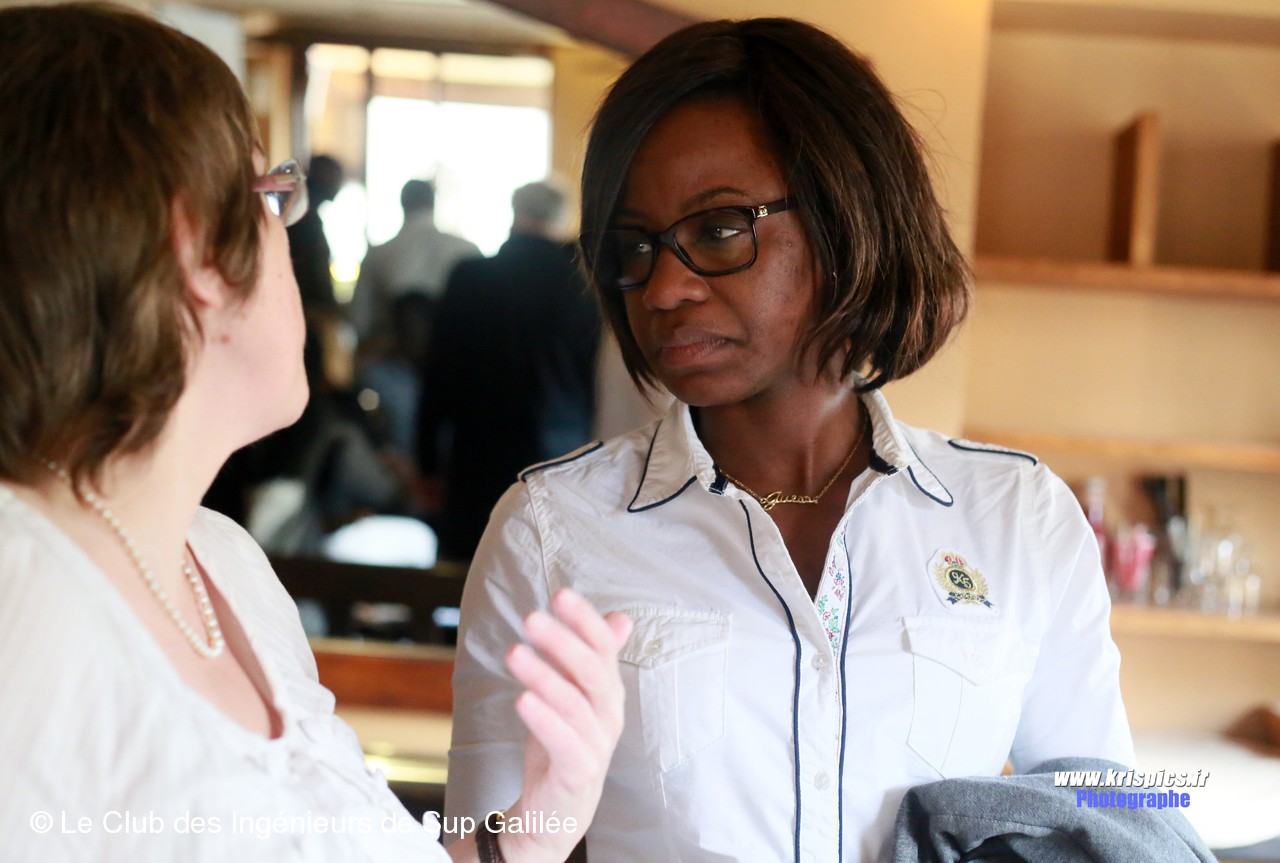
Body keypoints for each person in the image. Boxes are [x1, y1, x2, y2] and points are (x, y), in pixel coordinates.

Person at [446, 17, 1134, 863]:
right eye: (635, 247)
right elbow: (478, 842)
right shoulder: (550, 531)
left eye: (718, 229)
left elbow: (1113, 814)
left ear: (848, 220)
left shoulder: (1016, 517)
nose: (663, 288)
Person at [0, 5, 629, 862]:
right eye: (271, 198)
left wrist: (533, 823)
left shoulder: (222, 562)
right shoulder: (24, 599)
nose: (288, 237)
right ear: (193, 247)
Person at [417, 182, 600, 561]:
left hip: (477, 454)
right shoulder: (582, 282)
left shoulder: (470, 277)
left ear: (516, 214)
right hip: (563, 455)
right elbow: (595, 377)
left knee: (470, 570)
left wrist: (427, 461)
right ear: (562, 219)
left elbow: (439, 374)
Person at [350, 179, 481, 344]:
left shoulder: (378, 254)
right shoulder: (467, 250)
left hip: (393, 353)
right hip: (457, 351)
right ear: (433, 203)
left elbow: (360, 320)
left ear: (402, 203)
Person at [288, 153, 344, 309]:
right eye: (336, 176)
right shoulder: (304, 219)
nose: (339, 184)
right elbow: (315, 274)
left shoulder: (304, 215)